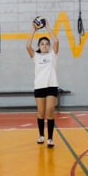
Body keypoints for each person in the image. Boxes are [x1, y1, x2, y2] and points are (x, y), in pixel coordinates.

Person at [26, 18, 59, 147]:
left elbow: (56, 41)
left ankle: (50, 138)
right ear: (39, 46)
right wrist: (33, 30)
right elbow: (28, 46)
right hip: (39, 87)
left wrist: (47, 27)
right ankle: (41, 135)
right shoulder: (36, 56)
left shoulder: (53, 55)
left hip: (52, 86)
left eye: (46, 44)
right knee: (41, 113)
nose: (44, 45)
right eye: (42, 44)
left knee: (50, 111)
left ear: (49, 46)